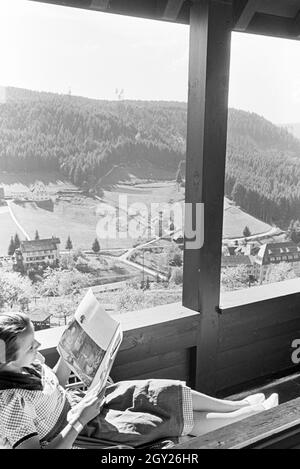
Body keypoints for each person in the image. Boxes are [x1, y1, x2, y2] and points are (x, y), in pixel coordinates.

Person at [0, 312, 278, 449]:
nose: (38, 345)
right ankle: (253, 414)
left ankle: (239, 406)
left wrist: (76, 348)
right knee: (156, 419)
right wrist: (81, 419)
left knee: (161, 392)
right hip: (80, 433)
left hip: (81, 405)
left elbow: (56, 387)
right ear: (7, 361)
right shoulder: (10, 405)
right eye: (30, 345)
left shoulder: (30, 363)